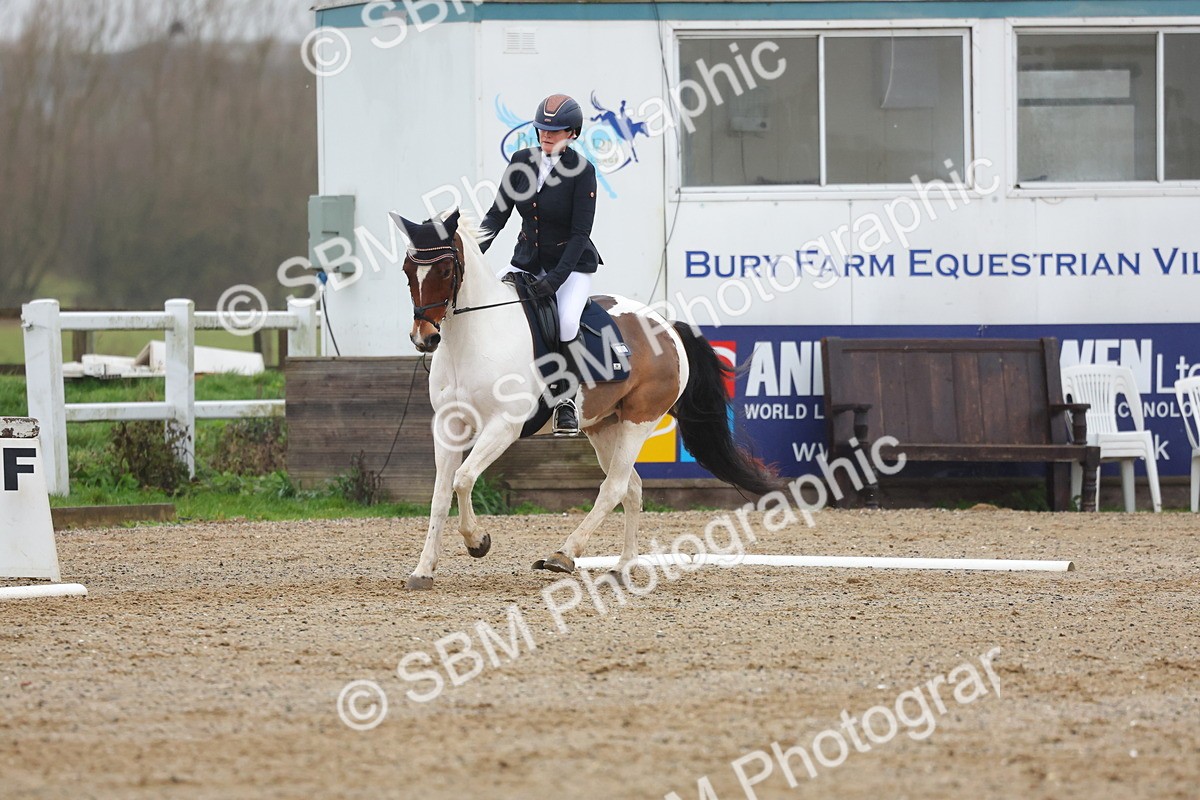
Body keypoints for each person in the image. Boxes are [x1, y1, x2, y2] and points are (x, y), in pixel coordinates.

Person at [478, 93, 602, 436]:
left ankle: (565, 401)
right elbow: (496, 216)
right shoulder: (521, 161)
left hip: (571, 266)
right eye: (542, 129)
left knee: (565, 322)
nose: (546, 135)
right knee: (490, 305)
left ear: (572, 133)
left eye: (555, 130)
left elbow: (580, 234)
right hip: (527, 261)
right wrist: (471, 255)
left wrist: (556, 279)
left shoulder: (583, 172)